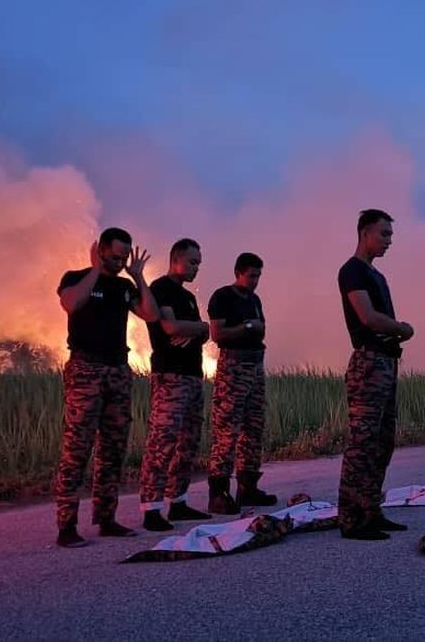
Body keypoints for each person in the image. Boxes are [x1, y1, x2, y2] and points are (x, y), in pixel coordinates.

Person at [55, 227, 159, 548]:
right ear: (100, 251)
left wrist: (139, 277)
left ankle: (106, 517)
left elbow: (151, 314)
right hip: (86, 368)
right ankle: (67, 525)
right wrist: (96, 270)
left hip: (117, 369)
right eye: (114, 257)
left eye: (124, 257)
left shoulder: (124, 286)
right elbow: (72, 304)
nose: (119, 263)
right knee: (77, 447)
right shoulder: (76, 277)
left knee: (113, 447)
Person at [336, 209, 415, 540]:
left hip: (385, 362)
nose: (389, 241)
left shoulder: (377, 276)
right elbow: (368, 318)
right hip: (368, 364)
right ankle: (352, 518)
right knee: (363, 442)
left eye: (391, 235)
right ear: (365, 233)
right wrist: (403, 329)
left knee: (383, 441)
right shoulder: (352, 271)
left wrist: (395, 335)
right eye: (384, 234)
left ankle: (370, 509)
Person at [139, 238, 212, 531]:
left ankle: (178, 501)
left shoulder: (188, 298)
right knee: (162, 441)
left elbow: (206, 333)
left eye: (199, 264)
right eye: (193, 262)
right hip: (170, 375)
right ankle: (151, 508)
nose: (196, 268)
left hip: (193, 375)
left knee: (188, 441)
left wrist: (199, 329)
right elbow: (170, 327)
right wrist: (201, 327)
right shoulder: (161, 289)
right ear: (176, 259)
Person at [205, 252, 277, 513]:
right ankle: (218, 493)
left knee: (253, 427)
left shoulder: (254, 299)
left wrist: (254, 328)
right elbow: (217, 333)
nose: (255, 281)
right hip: (233, 367)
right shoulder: (223, 297)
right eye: (251, 276)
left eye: (258, 276)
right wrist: (247, 327)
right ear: (238, 272)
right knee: (227, 429)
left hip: (255, 364)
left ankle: (248, 487)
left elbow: (262, 329)